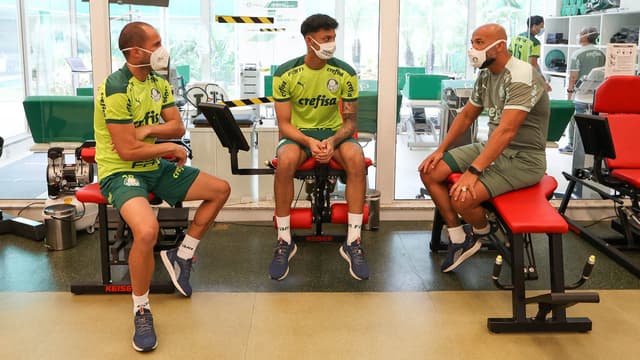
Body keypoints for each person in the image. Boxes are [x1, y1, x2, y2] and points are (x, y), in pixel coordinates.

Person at [94, 21, 230, 352]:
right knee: (145, 231)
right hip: (122, 172)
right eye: (156, 44)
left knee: (220, 189)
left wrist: (149, 132)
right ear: (136, 52)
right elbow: (126, 150)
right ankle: (141, 308)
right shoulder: (115, 88)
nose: (162, 50)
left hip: (154, 167)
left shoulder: (158, 82)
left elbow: (176, 125)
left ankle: (181, 256)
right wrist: (169, 147)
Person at [419, 23, 550, 273]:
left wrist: (474, 172)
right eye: (472, 42)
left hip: (523, 159)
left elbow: (507, 130)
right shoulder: (486, 75)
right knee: (429, 170)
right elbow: (467, 115)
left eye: (479, 42)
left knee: (462, 197)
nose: (472, 49)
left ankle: (481, 230)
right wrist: (440, 150)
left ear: (499, 46)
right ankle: (460, 238)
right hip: (491, 148)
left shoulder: (522, 74)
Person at [270, 14, 369, 281]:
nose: (331, 44)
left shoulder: (345, 72)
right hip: (299, 136)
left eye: (333, 38)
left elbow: (350, 122)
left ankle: (353, 241)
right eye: (326, 39)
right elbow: (284, 123)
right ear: (309, 40)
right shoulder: (285, 73)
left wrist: (333, 141)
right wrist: (309, 141)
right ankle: (283, 240)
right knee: (285, 160)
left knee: (357, 158)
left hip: (335, 134)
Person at [558, 26, 605, 154]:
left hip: (580, 94)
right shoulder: (602, 53)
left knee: (575, 119)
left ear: (586, 36)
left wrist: (569, 93)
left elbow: (573, 77)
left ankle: (572, 145)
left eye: (581, 33)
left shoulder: (578, 54)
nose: (579, 35)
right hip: (596, 94)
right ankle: (587, 145)